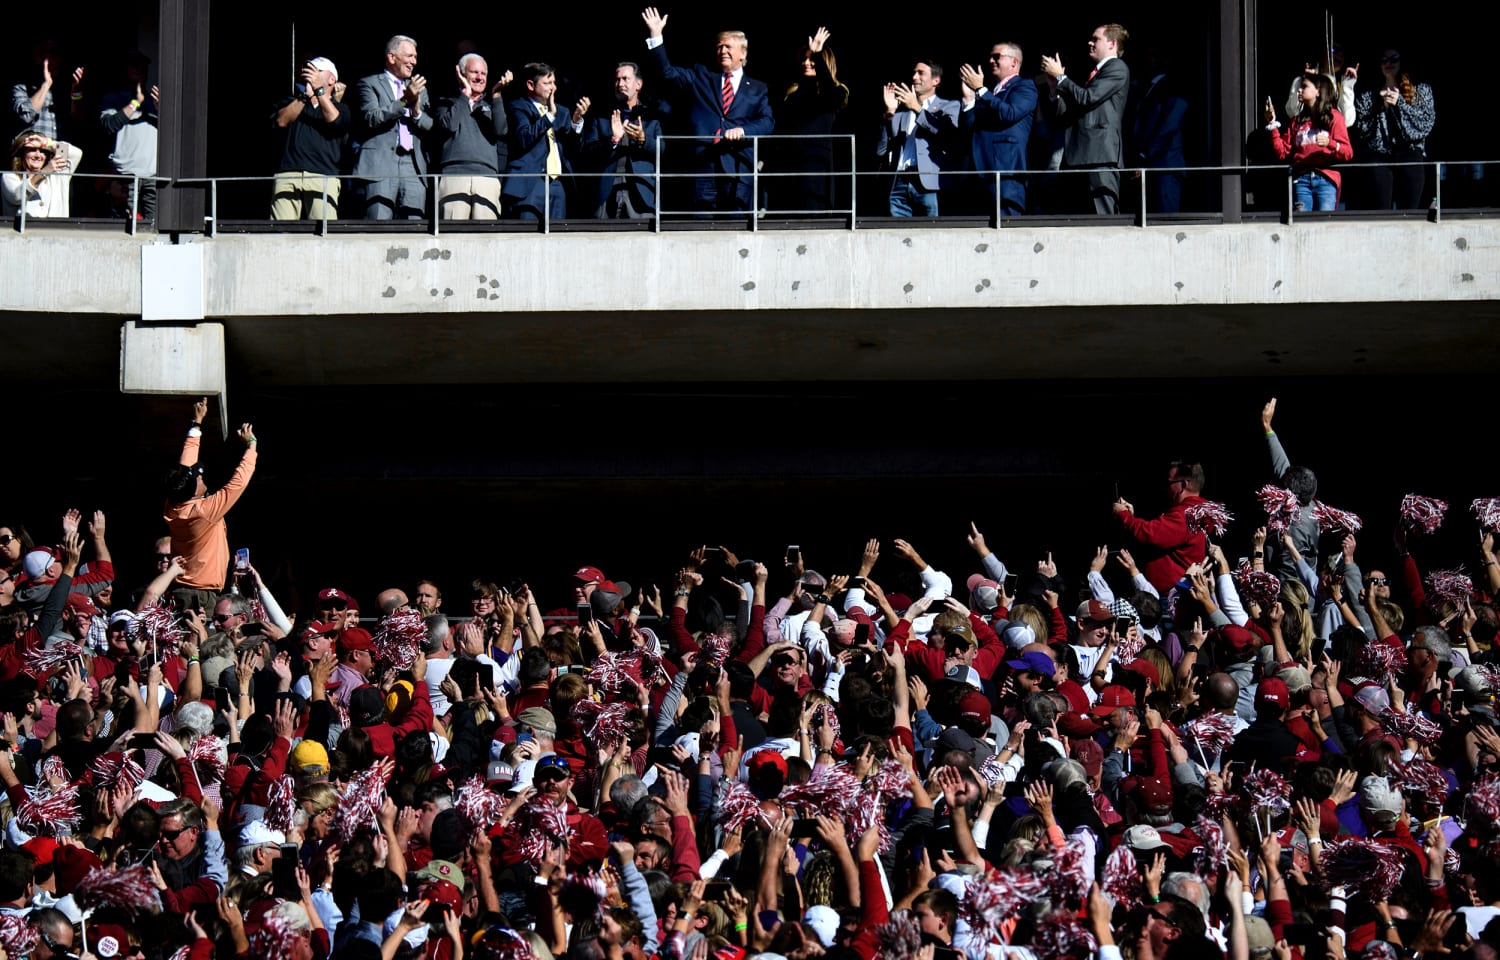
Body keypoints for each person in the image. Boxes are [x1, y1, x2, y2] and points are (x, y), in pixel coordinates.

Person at [641, 6, 774, 214]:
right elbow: (667, 74)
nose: (723, 51)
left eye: (728, 47)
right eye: (719, 47)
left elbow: (767, 122)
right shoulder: (702, 76)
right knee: (702, 228)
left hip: (738, 166)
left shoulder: (757, 88)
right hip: (703, 165)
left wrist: (743, 131)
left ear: (743, 53)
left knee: (736, 230)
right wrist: (656, 36)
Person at [162, 397, 258, 598]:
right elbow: (238, 483)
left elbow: (184, 467)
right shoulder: (205, 511)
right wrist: (251, 445)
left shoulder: (172, 505)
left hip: (185, 590)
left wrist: (196, 423)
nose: (200, 475)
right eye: (197, 477)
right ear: (193, 491)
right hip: (201, 595)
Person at [1041, 23, 1132, 214]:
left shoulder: (1117, 67)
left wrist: (1061, 78)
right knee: (1080, 218)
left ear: (1112, 43)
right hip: (1079, 156)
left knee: (1104, 218)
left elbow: (1087, 98)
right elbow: (1070, 112)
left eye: (1096, 39)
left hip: (1100, 156)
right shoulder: (1094, 74)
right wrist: (1053, 88)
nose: (1090, 43)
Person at [766, 26, 847, 215]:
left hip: (815, 165)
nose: (807, 63)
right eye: (804, 59)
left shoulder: (836, 91)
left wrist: (818, 55)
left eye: (812, 59)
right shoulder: (791, 92)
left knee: (812, 213)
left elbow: (831, 97)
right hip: (789, 162)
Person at [353, 35, 433, 220]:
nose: (414, 61)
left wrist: (415, 111)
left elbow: (430, 126)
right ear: (392, 57)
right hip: (380, 163)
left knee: (415, 224)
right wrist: (405, 100)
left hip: (412, 165)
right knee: (378, 224)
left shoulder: (419, 88)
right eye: (410, 56)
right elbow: (371, 118)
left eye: (415, 57)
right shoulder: (369, 83)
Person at [957, 43, 1038, 217]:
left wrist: (980, 89)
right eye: (990, 57)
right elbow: (969, 129)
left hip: (1005, 174)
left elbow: (1010, 113)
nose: (991, 61)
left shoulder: (1024, 86)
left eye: (997, 57)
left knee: (1007, 229)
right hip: (978, 174)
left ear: (1014, 63)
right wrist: (970, 100)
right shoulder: (988, 94)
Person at [1353, 48, 1435, 211]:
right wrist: (1380, 107)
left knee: (1410, 210)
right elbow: (1362, 131)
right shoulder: (1369, 94)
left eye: (1393, 59)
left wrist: (1400, 104)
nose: (1388, 64)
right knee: (1380, 210)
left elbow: (1425, 124)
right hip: (1380, 157)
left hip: (1410, 154)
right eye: (1384, 60)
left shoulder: (1420, 89)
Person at [876, 59, 960, 217]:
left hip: (928, 184)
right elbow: (881, 151)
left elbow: (946, 137)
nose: (914, 77)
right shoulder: (902, 114)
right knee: (899, 236)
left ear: (936, 80)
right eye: (914, 73)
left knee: (931, 234)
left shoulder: (948, 106)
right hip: (899, 182)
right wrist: (889, 113)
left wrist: (916, 107)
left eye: (921, 73)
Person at [502, 63, 585, 222]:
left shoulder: (562, 111)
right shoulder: (518, 106)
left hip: (557, 184)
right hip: (530, 182)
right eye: (547, 83)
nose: (553, 88)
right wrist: (549, 116)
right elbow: (524, 137)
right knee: (527, 238)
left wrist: (576, 122)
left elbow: (573, 150)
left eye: (554, 83)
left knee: (556, 239)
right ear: (530, 85)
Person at [433, 53, 511, 221]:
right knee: (452, 237)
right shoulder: (446, 102)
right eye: (474, 72)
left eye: (483, 74)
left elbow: (500, 131)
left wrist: (496, 95)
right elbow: (449, 125)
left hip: (487, 178)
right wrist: (464, 96)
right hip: (454, 176)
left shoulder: (491, 106)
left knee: (486, 239)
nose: (479, 77)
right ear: (461, 74)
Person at [270, 57, 349, 221]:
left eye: (317, 71)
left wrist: (319, 91)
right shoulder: (292, 101)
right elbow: (281, 121)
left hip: (323, 175)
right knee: (280, 233)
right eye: (308, 69)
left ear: (332, 79)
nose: (310, 73)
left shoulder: (341, 108)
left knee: (324, 233)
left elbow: (335, 120)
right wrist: (305, 96)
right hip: (289, 173)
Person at [580, 62, 662, 219]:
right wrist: (613, 140)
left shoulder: (651, 116)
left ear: (638, 84)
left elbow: (663, 149)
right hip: (606, 191)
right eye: (617, 80)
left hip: (641, 192)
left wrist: (643, 139)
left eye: (625, 79)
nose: (620, 84)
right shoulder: (601, 116)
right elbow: (587, 150)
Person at [1113, 461, 1208, 593]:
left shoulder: (1184, 515)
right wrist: (1132, 517)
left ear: (1184, 485)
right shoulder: (1196, 512)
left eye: (1169, 483)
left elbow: (1149, 534)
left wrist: (1124, 515)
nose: (1166, 488)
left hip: (1171, 598)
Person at [1264, 73, 1353, 212]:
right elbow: (1282, 152)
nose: (1299, 90)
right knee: (1302, 224)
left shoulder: (1334, 117)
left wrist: (1330, 143)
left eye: (1304, 86)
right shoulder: (1297, 121)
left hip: (1326, 178)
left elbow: (1348, 152)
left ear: (1318, 91)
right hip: (1301, 179)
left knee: (1324, 223)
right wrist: (1272, 124)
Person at [98, 52, 158, 222]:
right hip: (125, 176)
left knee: (152, 228)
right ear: (125, 70)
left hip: (153, 176)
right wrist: (135, 103)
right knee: (124, 225)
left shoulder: (156, 100)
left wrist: (162, 110)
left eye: (143, 66)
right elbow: (108, 125)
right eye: (134, 65)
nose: (139, 70)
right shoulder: (113, 99)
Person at [3, 130, 80, 218]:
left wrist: (46, 143)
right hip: (25, 231)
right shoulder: (9, 176)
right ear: (21, 154)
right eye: (32, 150)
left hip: (57, 231)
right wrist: (44, 172)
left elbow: (75, 153)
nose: (38, 155)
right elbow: (17, 196)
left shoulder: (58, 173)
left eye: (43, 151)